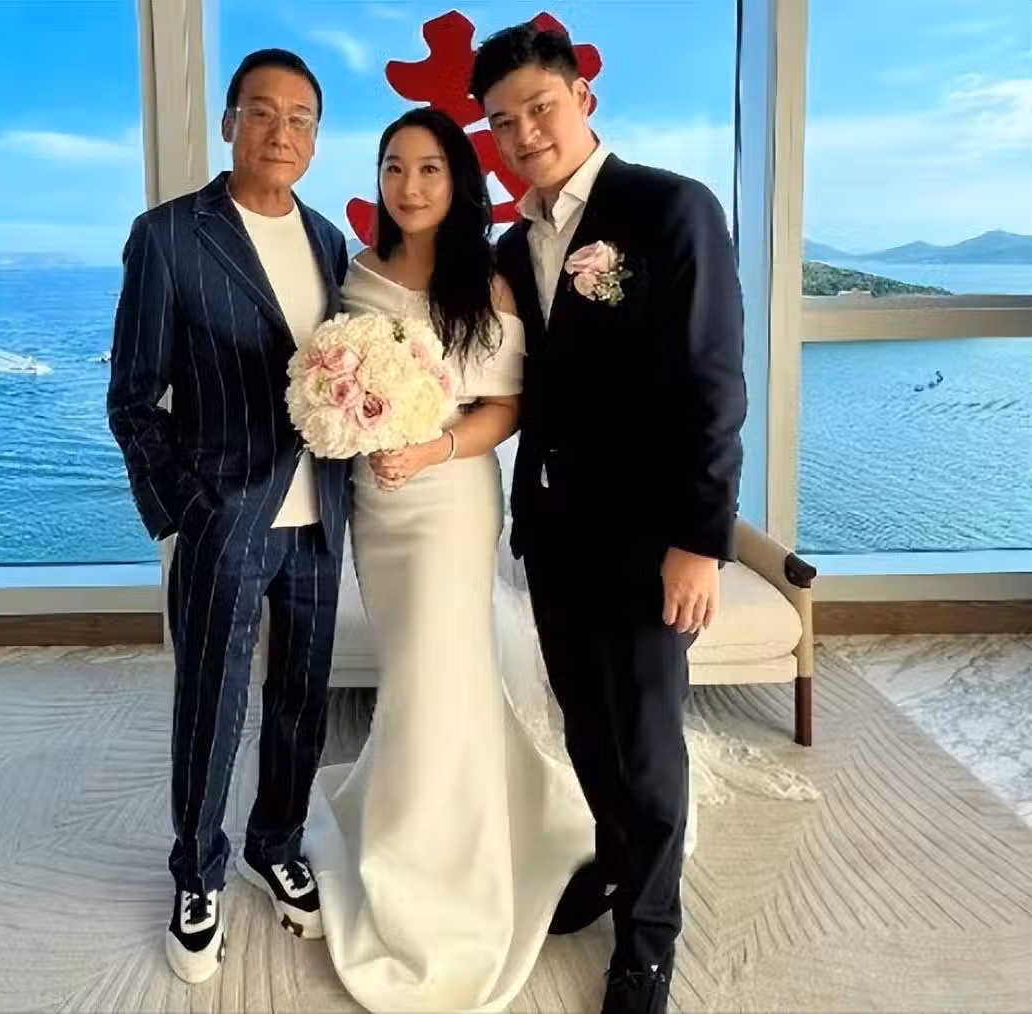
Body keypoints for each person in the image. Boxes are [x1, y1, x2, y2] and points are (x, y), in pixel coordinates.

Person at [471, 22, 748, 1014]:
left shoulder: (671, 207)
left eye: (539, 108)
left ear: (583, 97)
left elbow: (713, 386)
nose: (524, 134)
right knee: (587, 726)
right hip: (555, 531)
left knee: (647, 742)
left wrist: (699, 543)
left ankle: (648, 939)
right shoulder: (514, 244)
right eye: (502, 122)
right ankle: (613, 853)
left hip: (649, 539)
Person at [303, 107, 595, 1012]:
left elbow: (507, 406)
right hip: (376, 506)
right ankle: (430, 811)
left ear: (457, 181)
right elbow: (332, 383)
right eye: (395, 167)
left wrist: (430, 449)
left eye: (430, 168)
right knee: (414, 669)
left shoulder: (489, 278)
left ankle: (438, 871)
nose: (410, 185)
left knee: (438, 670)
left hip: (451, 497)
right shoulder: (355, 275)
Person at [107, 48, 350, 984]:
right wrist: (187, 510)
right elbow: (134, 396)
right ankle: (196, 872)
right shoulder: (169, 235)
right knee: (212, 702)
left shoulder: (329, 240)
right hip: (225, 516)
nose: (281, 132)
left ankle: (273, 842)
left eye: (301, 118)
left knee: (301, 697)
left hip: (318, 514)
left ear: (316, 138)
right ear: (229, 123)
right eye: (262, 112)